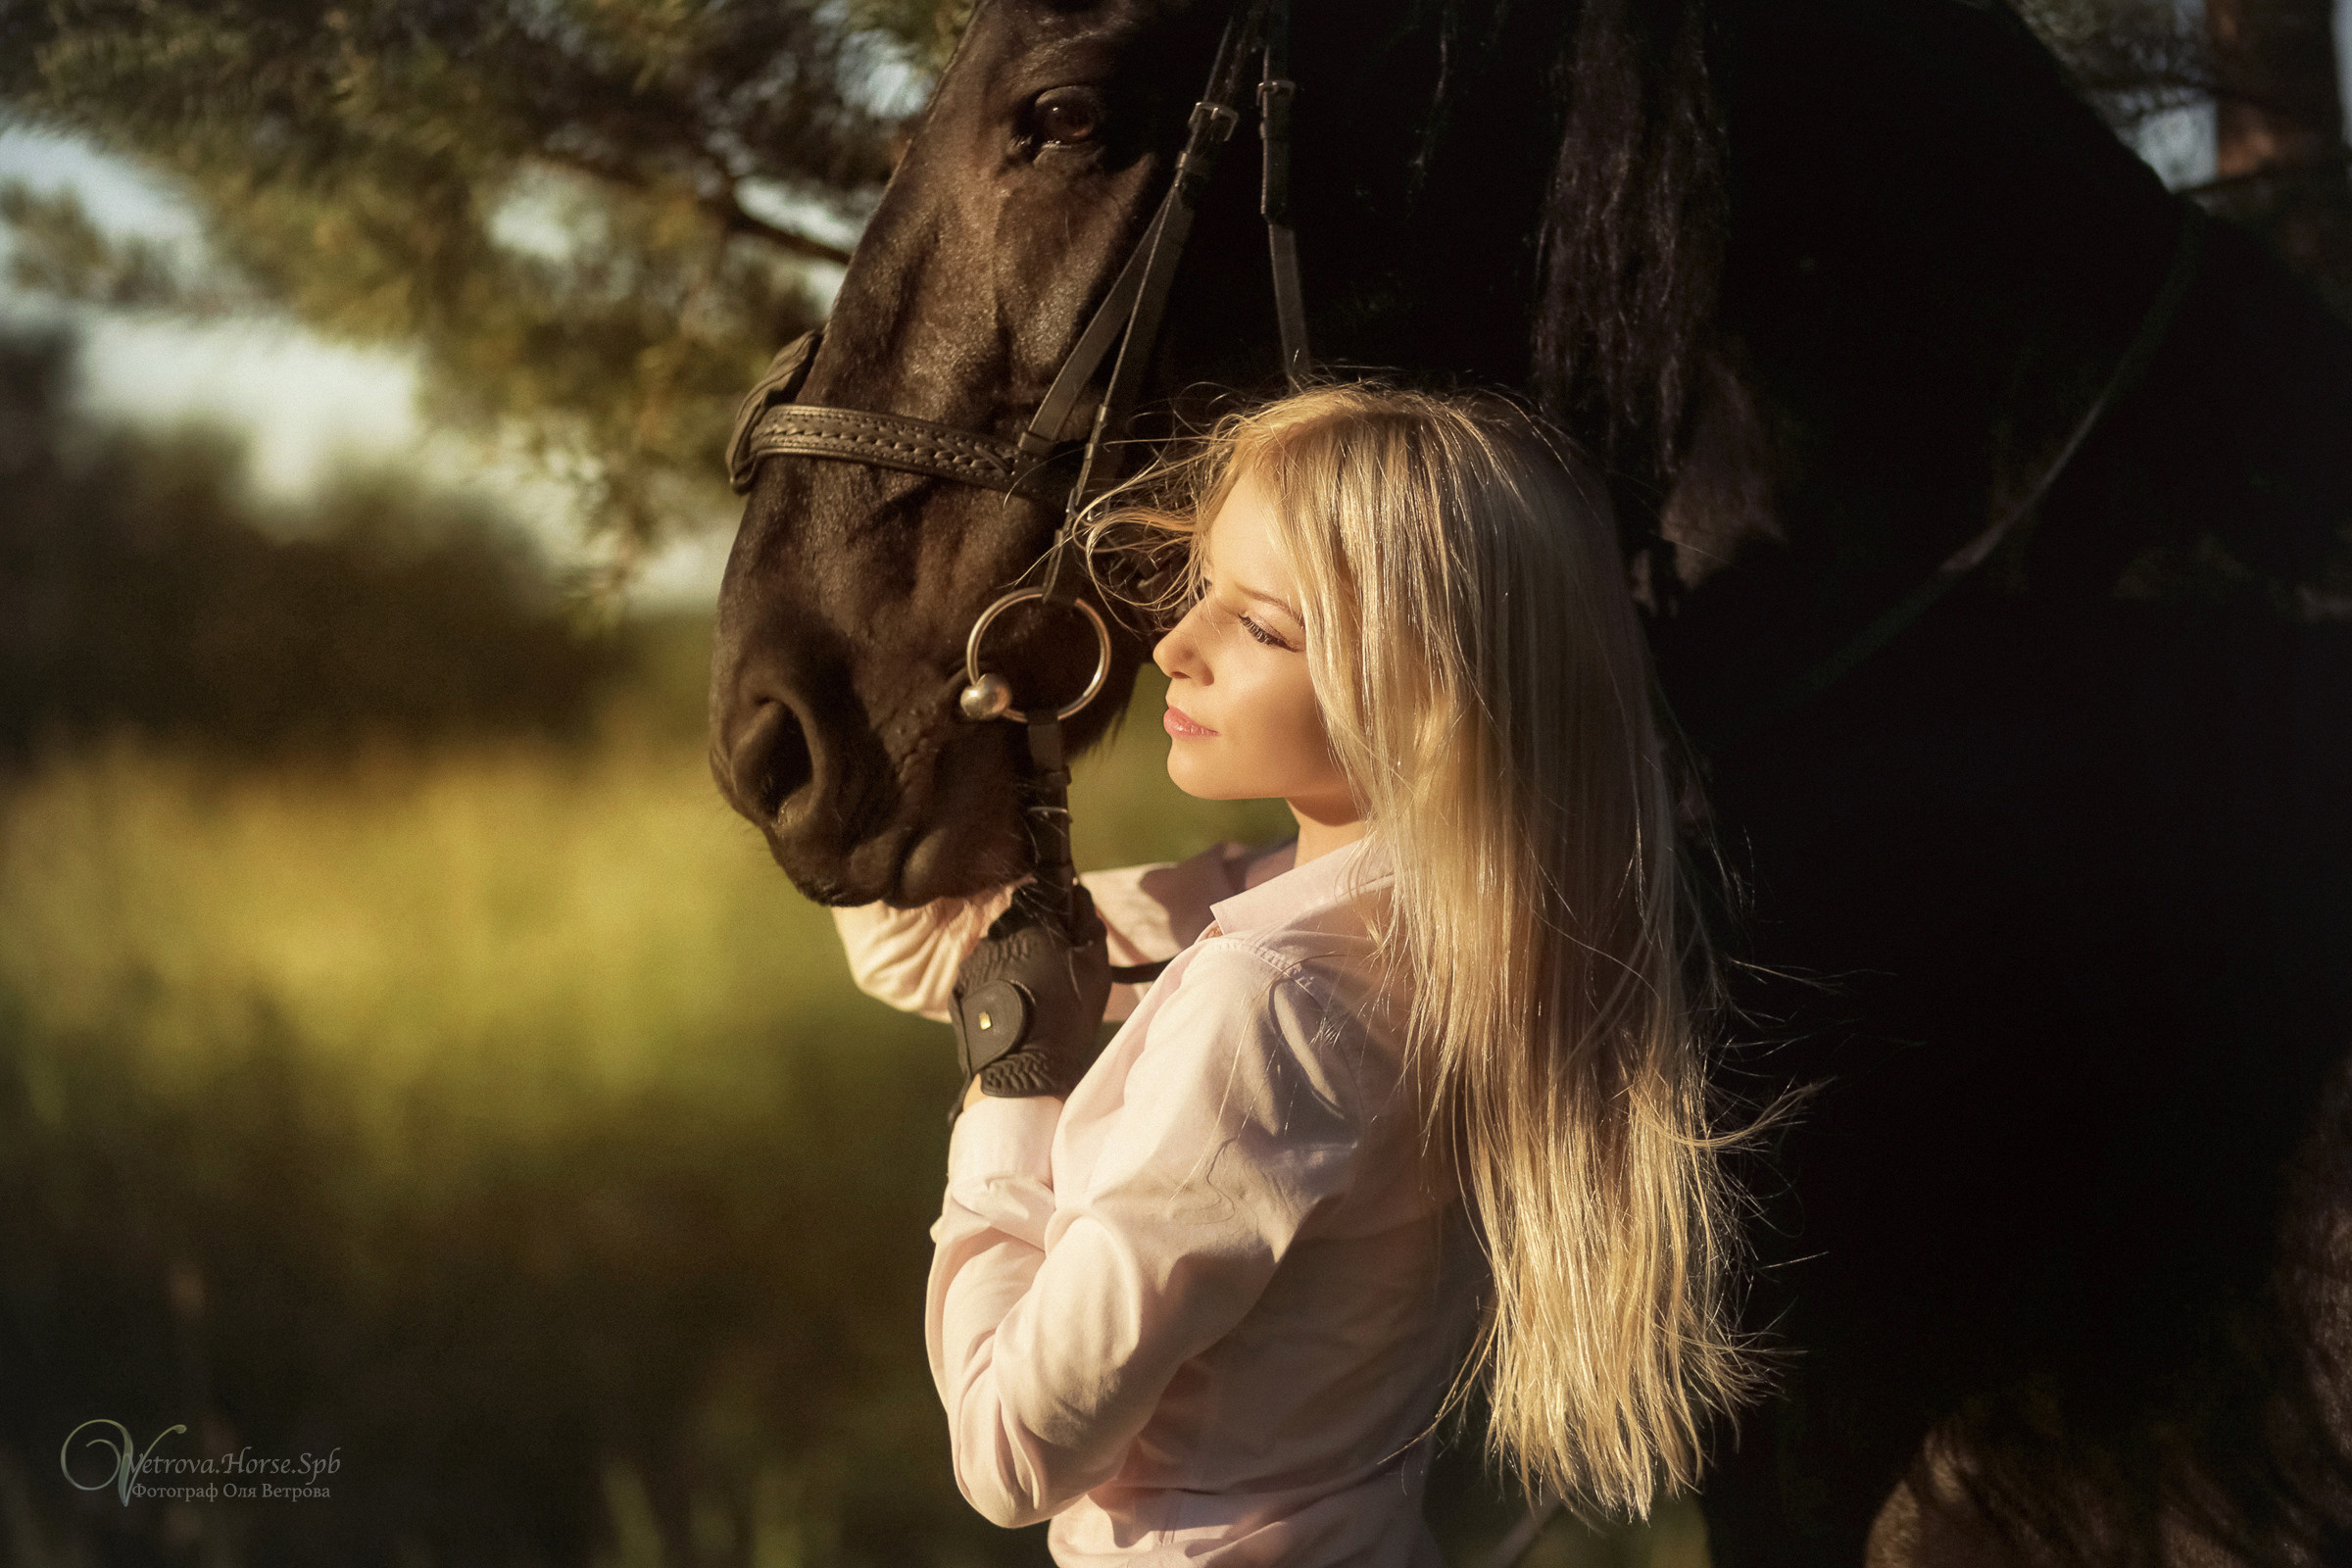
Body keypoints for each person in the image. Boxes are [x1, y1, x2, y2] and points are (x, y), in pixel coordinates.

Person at [831, 384, 1760, 1564]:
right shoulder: (1471, 918)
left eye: (1260, 628)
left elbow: (1011, 1451)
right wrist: (898, 701)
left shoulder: (1272, 998)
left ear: (1427, 694)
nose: (1175, 646)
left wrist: (1014, 1083)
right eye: (1203, 589)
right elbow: (931, 946)